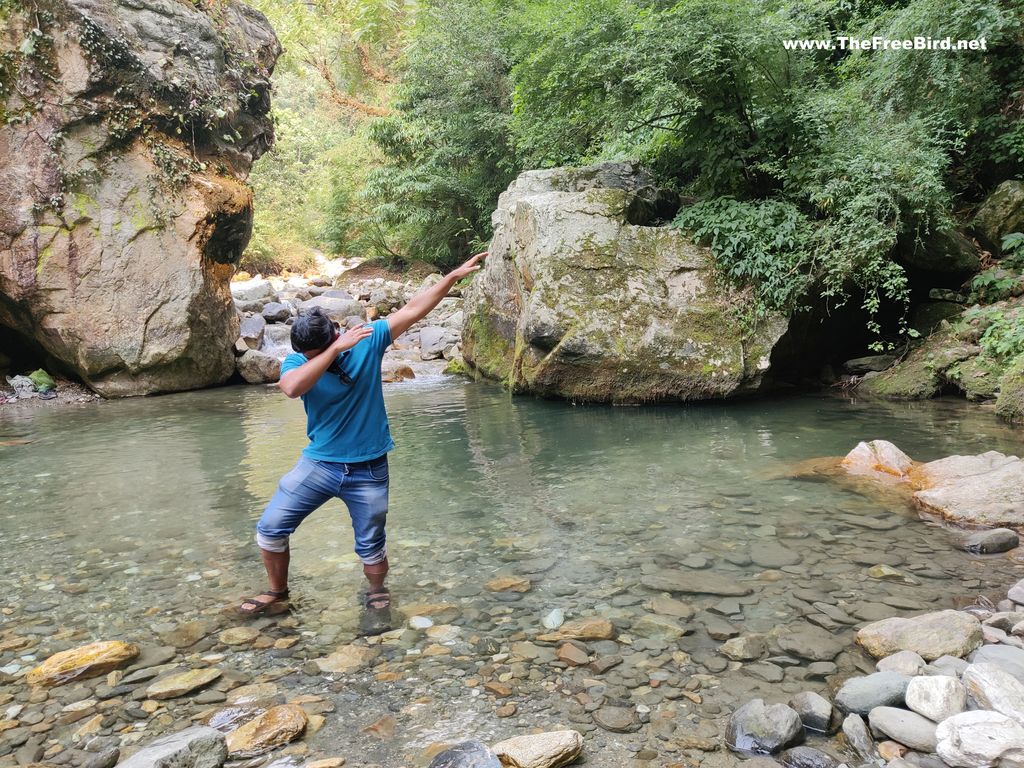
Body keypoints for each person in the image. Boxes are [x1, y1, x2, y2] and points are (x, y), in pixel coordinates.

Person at [238, 252, 486, 623]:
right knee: (270, 529)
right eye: (309, 355)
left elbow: (414, 309)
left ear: (336, 331)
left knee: (371, 544)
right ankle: (278, 593)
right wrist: (334, 351)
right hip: (319, 463)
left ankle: (376, 593)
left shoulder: (369, 342)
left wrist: (451, 276)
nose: (312, 359)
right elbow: (290, 389)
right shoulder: (297, 363)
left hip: (368, 468)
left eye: (320, 351)